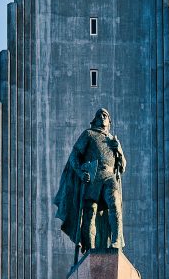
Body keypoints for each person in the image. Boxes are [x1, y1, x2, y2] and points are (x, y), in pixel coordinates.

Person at [54, 108, 127, 253]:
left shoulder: (113, 140)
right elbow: (74, 156)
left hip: (109, 176)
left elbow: (122, 166)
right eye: (99, 115)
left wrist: (119, 150)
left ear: (109, 121)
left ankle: (116, 240)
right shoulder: (88, 134)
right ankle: (91, 250)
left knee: (114, 202)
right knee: (89, 213)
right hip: (93, 177)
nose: (102, 116)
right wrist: (81, 172)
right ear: (95, 120)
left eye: (105, 115)